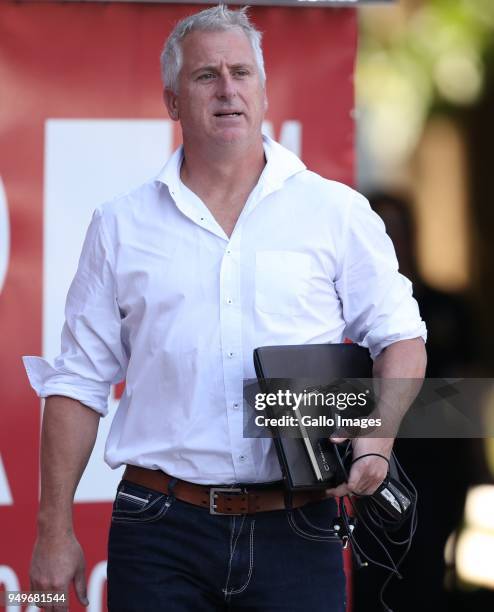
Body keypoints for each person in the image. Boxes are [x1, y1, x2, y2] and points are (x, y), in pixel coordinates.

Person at [23, 6, 427, 612]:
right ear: (172, 101)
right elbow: (78, 384)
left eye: (242, 72)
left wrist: (377, 437)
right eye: (205, 75)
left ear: (264, 92)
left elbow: (402, 339)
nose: (227, 89)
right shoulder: (119, 225)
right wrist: (52, 533)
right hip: (160, 529)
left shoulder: (336, 213)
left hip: (300, 527)